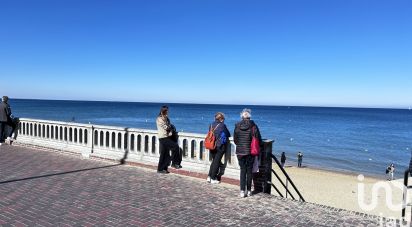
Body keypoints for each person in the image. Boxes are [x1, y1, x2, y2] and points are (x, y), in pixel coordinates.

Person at [234, 108, 262, 198]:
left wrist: (241, 145)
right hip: (250, 152)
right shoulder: (253, 126)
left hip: (240, 152)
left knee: (243, 171)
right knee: (249, 171)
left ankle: (242, 191)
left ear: (242, 116)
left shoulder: (237, 125)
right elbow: (258, 139)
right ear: (249, 116)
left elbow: (235, 140)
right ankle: (249, 191)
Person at [156, 105, 181, 174]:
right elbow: (166, 127)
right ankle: (174, 163)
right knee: (175, 147)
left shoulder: (166, 118)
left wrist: (169, 126)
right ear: (163, 111)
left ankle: (161, 169)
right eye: (167, 110)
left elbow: (170, 126)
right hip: (163, 137)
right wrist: (169, 126)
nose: (168, 112)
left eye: (168, 110)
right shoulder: (159, 119)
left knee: (164, 154)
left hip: (167, 137)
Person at [206, 112, 230, 184]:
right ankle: (213, 178)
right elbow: (228, 134)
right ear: (221, 119)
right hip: (219, 146)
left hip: (211, 145)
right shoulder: (222, 125)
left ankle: (209, 176)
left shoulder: (211, 125)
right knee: (216, 162)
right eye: (223, 119)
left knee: (214, 161)